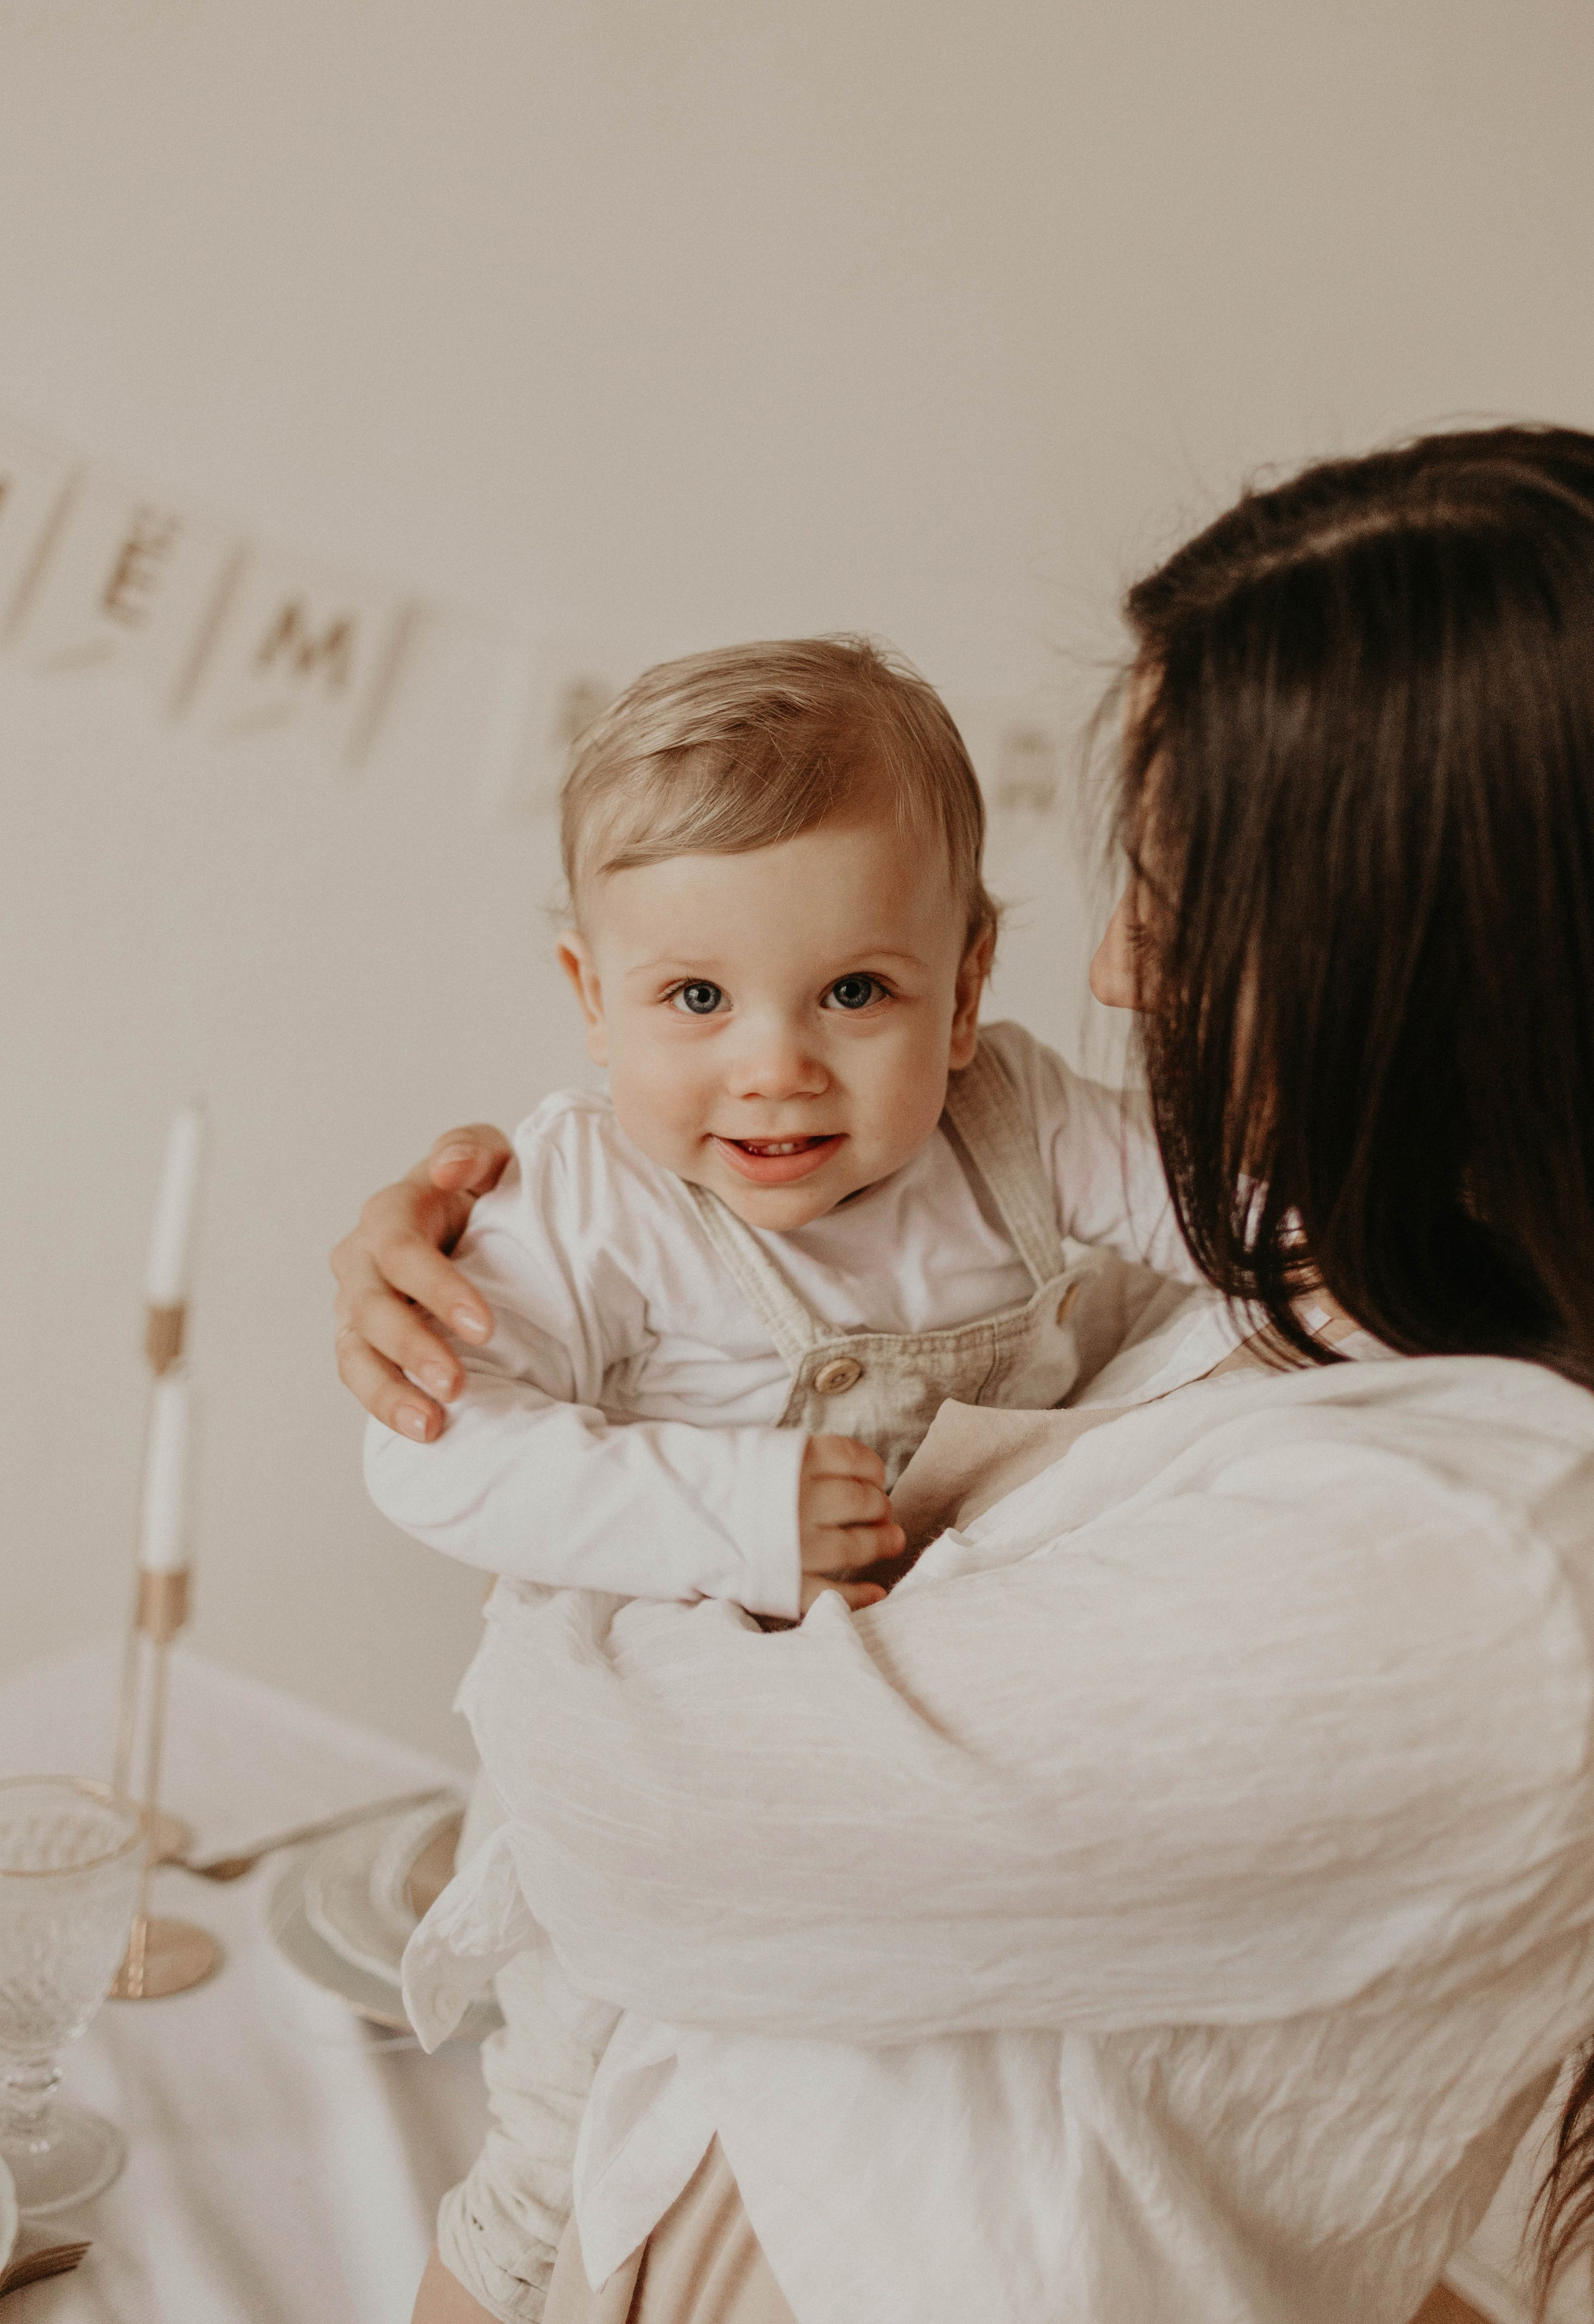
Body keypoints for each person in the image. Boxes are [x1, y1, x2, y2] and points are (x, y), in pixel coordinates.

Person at [332, 423, 1594, 2324]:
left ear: (1407, 958)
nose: (1116, 967)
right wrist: (487, 1324)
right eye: (689, 998)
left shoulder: (1485, 1557)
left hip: (850, 2249)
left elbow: (628, 1828)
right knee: (495, 2187)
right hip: (674, 2169)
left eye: (1182, 886)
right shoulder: (1370, 1272)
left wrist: (628, 1536)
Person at [362, 634, 1225, 1629]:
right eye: (698, 996)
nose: (775, 1071)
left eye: (853, 991)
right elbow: (427, 1446)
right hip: (677, 1703)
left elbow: (1233, 1222)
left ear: (962, 993)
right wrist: (737, 1513)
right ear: (594, 998)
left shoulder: (1015, 1112)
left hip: (969, 1643)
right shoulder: (593, 1195)